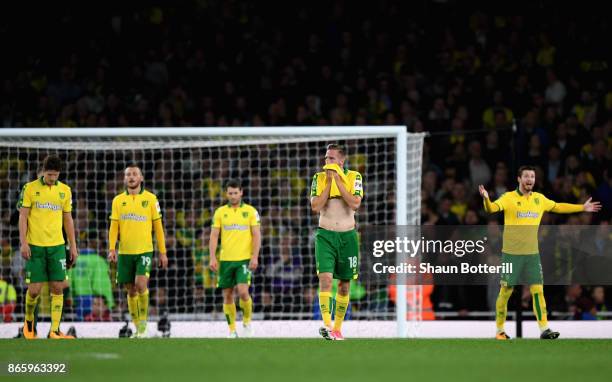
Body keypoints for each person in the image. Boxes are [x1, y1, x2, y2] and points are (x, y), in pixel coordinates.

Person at [479, 165, 601, 340]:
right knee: (506, 292)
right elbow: (491, 209)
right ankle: (499, 331)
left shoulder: (539, 199)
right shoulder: (509, 198)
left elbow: (558, 206)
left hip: (532, 255)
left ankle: (544, 329)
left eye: (532, 177)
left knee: (538, 291)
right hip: (511, 255)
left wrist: (582, 207)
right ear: (519, 179)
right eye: (526, 176)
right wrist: (486, 200)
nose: (530, 180)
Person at [18, 155, 78, 339]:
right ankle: (28, 324)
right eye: (49, 174)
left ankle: (55, 330)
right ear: (43, 171)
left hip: (57, 246)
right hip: (35, 246)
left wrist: (73, 246)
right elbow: (23, 217)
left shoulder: (65, 191)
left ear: (59, 173)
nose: (52, 178)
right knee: (34, 290)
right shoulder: (30, 188)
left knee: (58, 287)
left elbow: (68, 219)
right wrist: (24, 242)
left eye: (55, 175)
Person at [310, 143, 363, 340]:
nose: (327, 161)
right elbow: (315, 206)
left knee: (344, 285)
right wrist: (328, 182)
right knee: (324, 279)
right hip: (325, 236)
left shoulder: (354, 177)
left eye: (331, 158)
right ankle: (327, 325)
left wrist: (338, 181)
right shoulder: (319, 178)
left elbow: (355, 204)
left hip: (348, 236)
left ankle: (338, 329)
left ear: (341, 161)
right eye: (326, 158)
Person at [108, 164, 168, 338]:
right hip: (125, 252)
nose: (131, 177)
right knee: (131, 290)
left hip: (144, 251)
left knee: (141, 284)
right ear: (124, 179)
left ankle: (143, 324)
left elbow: (158, 228)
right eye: (128, 175)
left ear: (141, 178)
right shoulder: (118, 200)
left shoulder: (150, 199)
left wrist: (162, 252)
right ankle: (138, 328)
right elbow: (114, 227)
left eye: (135, 174)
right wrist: (112, 248)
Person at [209, 180, 261, 338]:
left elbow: (256, 235)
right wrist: (212, 257)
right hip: (225, 260)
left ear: (241, 192)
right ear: (226, 194)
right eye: (230, 193)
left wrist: (255, 256)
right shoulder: (220, 212)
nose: (233, 196)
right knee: (227, 295)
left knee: (243, 291)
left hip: (243, 259)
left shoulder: (251, 211)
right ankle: (232, 330)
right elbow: (214, 236)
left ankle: (247, 322)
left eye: (235, 193)